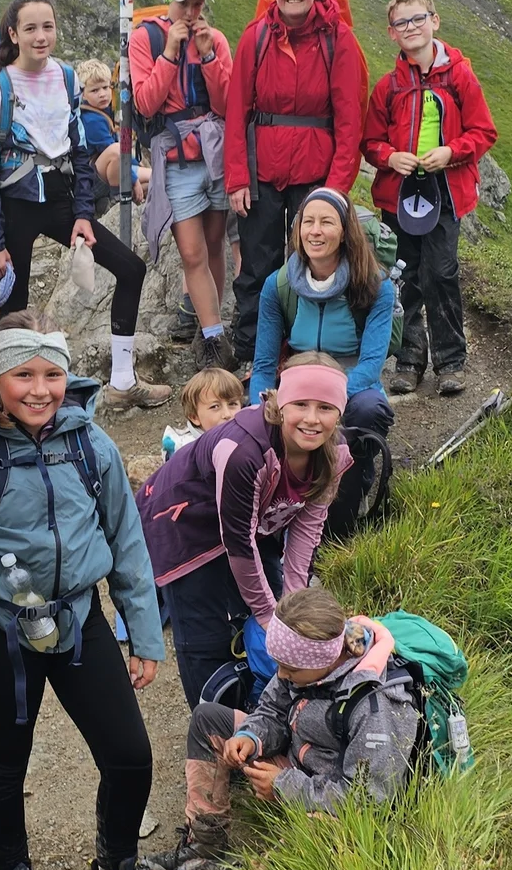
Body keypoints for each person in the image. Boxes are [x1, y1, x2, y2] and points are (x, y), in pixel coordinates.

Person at [0, 320, 195, 870]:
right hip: (3, 632)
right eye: (24, 374)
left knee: (130, 754)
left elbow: (127, 539)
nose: (41, 389)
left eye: (51, 374)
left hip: (82, 621)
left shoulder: (91, 446)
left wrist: (146, 634)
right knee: (4, 764)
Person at [0, 0, 168, 412]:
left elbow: (78, 151)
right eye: (31, 28)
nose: (41, 36)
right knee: (13, 309)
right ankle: (4, 404)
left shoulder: (67, 77)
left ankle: (123, 381)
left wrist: (82, 215)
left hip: (60, 199)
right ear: (13, 34)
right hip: (13, 204)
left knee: (130, 268)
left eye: (48, 27)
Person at [168, 585, 416, 870]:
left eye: (290, 669)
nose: (281, 675)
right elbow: (272, 708)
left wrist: (283, 786)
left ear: (325, 662)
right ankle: (205, 842)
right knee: (207, 720)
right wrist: (250, 736)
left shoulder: (375, 707)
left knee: (321, 832)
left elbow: (367, 802)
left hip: (338, 802)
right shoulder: (304, 664)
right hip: (299, 767)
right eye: (279, 665)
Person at [137, 359, 350, 710]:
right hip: (184, 523)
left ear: (338, 413)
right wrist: (270, 618)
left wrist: (289, 610)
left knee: (276, 606)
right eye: (300, 404)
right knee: (206, 633)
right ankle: (214, 732)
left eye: (325, 407)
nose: (312, 419)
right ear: (280, 404)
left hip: (255, 522)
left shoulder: (335, 454)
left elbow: (306, 529)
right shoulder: (243, 451)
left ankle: (264, 712)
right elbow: (238, 543)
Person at [224, 0, 369, 371]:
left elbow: (348, 120)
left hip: (316, 177)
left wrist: (337, 189)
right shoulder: (256, 36)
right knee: (256, 268)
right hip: (262, 174)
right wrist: (237, 178)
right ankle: (255, 355)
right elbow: (237, 113)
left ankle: (313, 353)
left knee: (317, 264)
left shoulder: (338, 39)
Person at [364, 0, 498, 398]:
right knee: (403, 275)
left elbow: (484, 132)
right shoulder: (388, 87)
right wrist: (391, 157)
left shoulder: (460, 77)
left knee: (440, 272)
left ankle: (450, 361)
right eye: (402, 24)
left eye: (418, 19)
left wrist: (451, 153)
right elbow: (370, 141)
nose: (411, 28)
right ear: (391, 33)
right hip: (399, 195)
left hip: (446, 192)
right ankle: (408, 361)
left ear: (435, 21)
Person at [249, 186, 396, 532]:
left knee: (369, 411)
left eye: (327, 222)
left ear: (345, 232)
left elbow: (372, 364)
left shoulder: (376, 286)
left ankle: (343, 513)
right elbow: (265, 364)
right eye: (308, 222)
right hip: (295, 379)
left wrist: (323, 399)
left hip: (352, 383)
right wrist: (262, 403)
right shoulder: (278, 285)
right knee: (260, 419)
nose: (315, 231)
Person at [129, 0, 234, 367]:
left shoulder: (216, 40)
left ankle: (212, 330)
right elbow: (145, 103)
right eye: (186, 2)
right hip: (175, 160)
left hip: (213, 155)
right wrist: (171, 54)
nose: (192, 11)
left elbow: (225, 104)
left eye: (199, 3)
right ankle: (211, 339)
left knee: (213, 246)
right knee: (192, 252)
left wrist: (208, 55)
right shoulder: (146, 39)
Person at [75, 60, 147, 206]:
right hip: (93, 179)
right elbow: (117, 152)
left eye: (105, 87)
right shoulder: (91, 120)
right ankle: (117, 196)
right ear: (83, 94)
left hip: (106, 171)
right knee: (118, 152)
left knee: (154, 180)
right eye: (94, 91)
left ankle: (115, 198)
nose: (102, 94)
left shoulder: (105, 112)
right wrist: (133, 178)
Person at [161, 365, 247, 459]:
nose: (227, 414)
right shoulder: (186, 454)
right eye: (215, 406)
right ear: (194, 417)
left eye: (232, 404)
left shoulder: (247, 439)